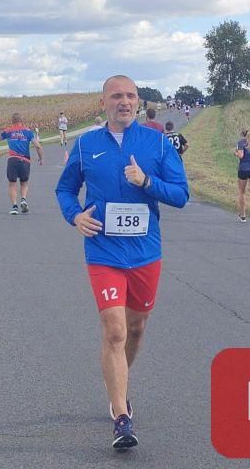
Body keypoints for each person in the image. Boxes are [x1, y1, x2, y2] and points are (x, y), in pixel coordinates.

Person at [55, 75, 189, 450]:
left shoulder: (156, 143)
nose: (124, 102)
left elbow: (181, 195)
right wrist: (74, 215)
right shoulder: (86, 145)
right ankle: (121, 417)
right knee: (115, 331)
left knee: (136, 329)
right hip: (103, 251)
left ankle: (119, 383)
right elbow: (65, 189)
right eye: (116, 96)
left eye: (130, 96)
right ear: (104, 103)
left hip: (145, 253)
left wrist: (147, 182)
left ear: (138, 101)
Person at [0, 112, 43, 215]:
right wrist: (41, 158)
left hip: (13, 159)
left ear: (12, 121)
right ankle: (23, 199)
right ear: (21, 121)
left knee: (12, 184)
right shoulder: (28, 132)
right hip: (25, 160)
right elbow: (37, 146)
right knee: (24, 182)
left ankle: (14, 206)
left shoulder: (9, 131)